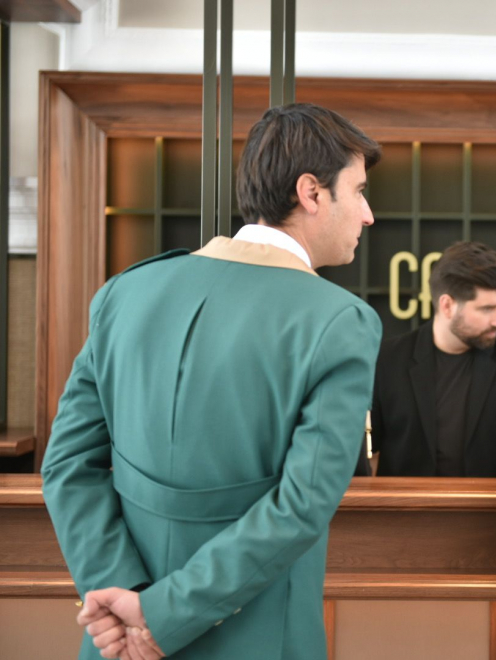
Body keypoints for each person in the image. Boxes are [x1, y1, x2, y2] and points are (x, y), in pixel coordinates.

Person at [41, 103, 383, 659]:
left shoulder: (124, 293)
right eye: (360, 191)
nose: (368, 214)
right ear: (312, 193)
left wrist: (127, 599)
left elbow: (65, 466)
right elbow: (300, 506)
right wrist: (161, 616)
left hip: (117, 634)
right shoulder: (340, 322)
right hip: (256, 636)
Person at [366, 240, 496, 477]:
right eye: (486, 309)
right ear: (448, 305)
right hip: (404, 510)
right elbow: (365, 449)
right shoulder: (387, 360)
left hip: (487, 511)